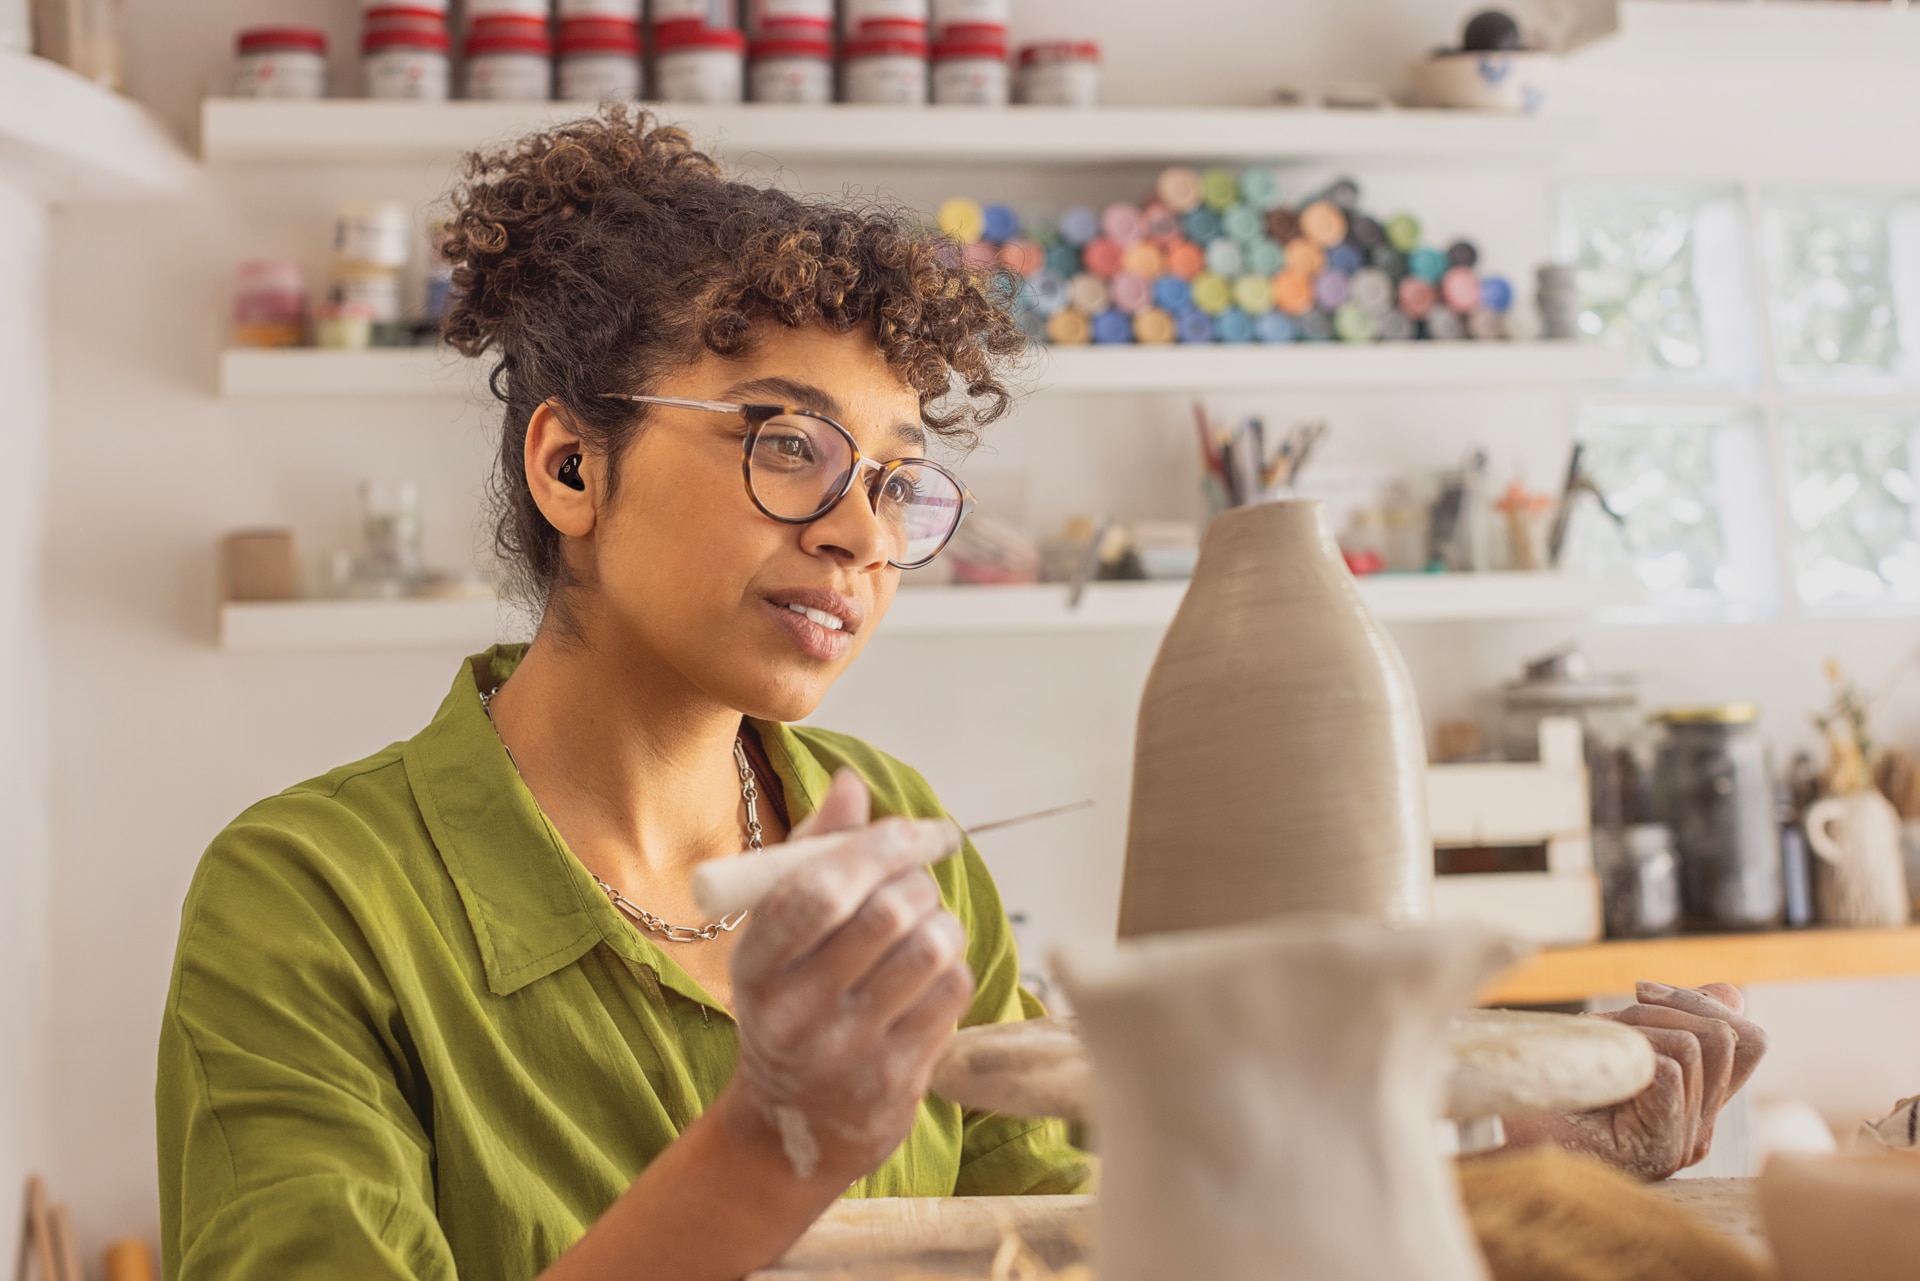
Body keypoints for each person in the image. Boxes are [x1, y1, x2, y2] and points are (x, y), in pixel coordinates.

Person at [156, 109, 1763, 1281]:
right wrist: (766, 1142)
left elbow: (1095, 1254)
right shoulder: (311, 900)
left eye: (902, 482)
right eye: (787, 444)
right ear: (573, 461)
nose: (861, 531)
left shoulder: (897, 829)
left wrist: (1520, 1185)